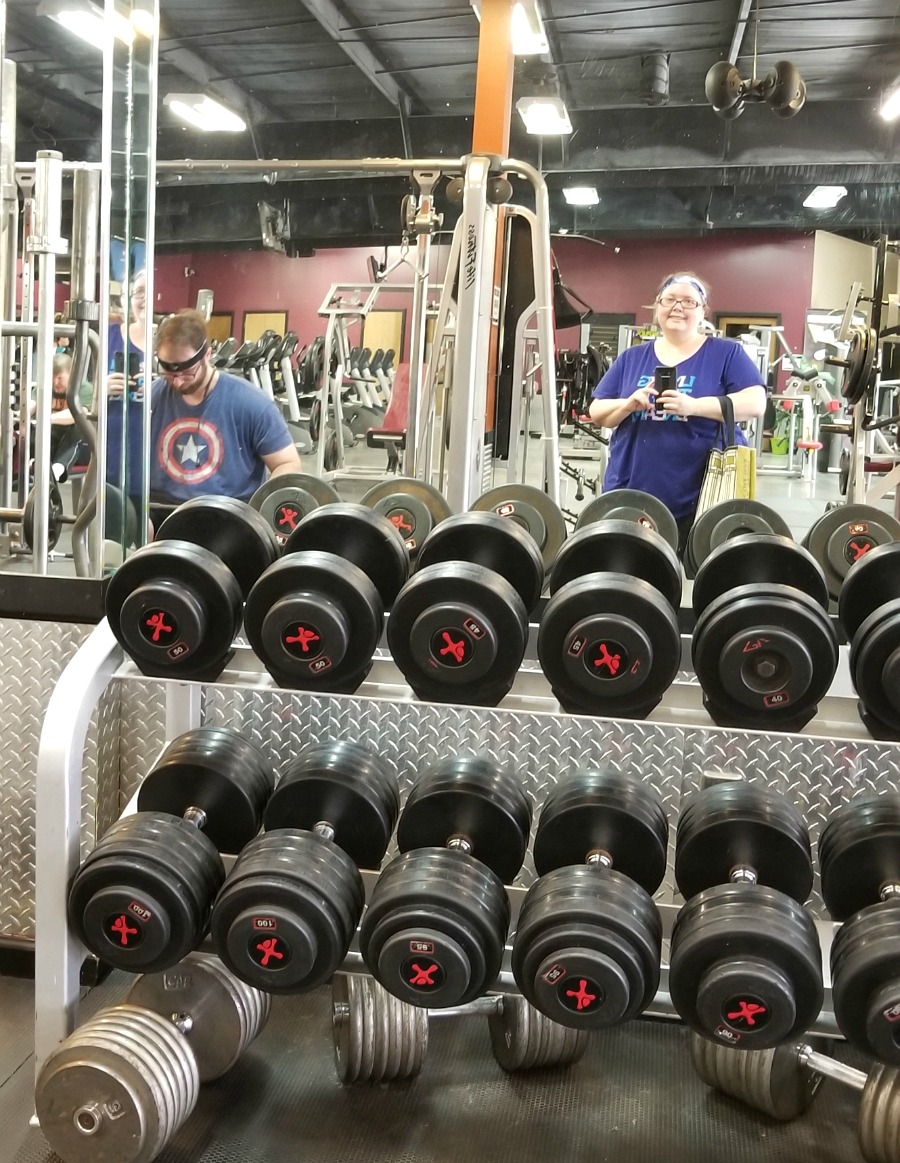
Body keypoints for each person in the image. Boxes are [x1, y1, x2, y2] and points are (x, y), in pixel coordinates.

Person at [589, 271, 766, 556]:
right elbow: (598, 411)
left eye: (688, 301)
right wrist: (628, 404)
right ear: (657, 307)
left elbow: (755, 403)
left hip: (701, 492)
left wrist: (693, 406)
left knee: (696, 575)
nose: (677, 307)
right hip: (633, 486)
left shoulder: (726, 353)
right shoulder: (633, 357)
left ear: (702, 310)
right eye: (669, 299)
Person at [148, 308, 301, 519]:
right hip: (160, 511)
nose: (177, 381)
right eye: (169, 374)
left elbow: (288, 463)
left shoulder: (251, 403)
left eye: (187, 373)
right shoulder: (151, 398)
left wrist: (259, 510)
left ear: (207, 355)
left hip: (227, 514)